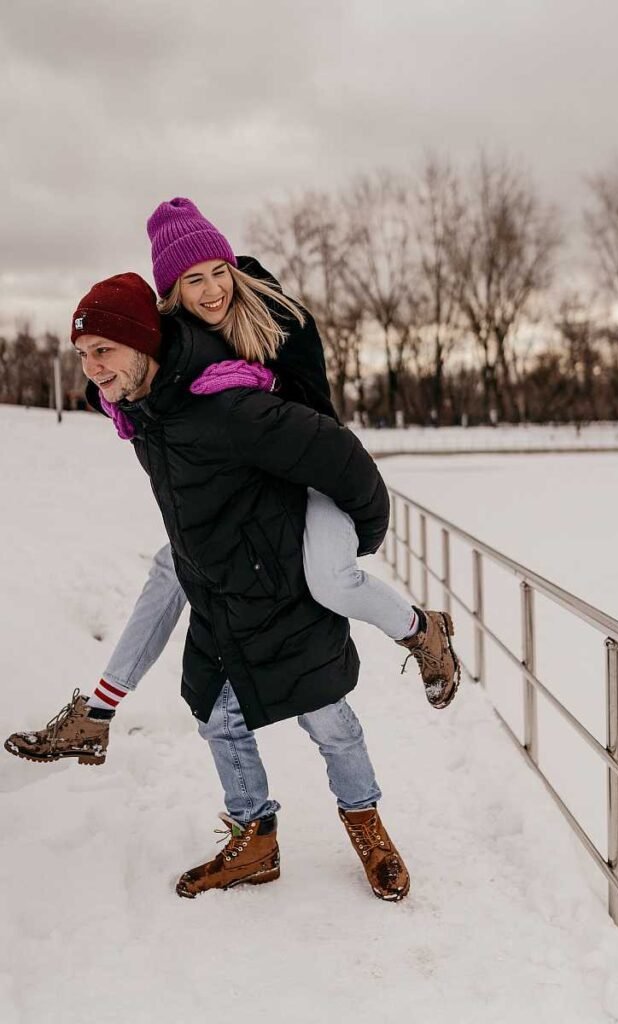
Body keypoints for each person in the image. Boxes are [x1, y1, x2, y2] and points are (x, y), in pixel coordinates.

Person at [7, 274, 417, 901]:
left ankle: (366, 822)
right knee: (220, 720)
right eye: (82, 355)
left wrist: (356, 542)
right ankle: (255, 836)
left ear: (141, 344)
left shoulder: (226, 405)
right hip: (215, 588)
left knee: (328, 717)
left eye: (102, 352)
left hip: (278, 587)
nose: (91, 370)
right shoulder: (142, 410)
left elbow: (342, 459)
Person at [5, 198, 459, 761]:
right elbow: (150, 379)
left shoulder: (280, 320)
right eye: (194, 280)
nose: (213, 290)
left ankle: (422, 630)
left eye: (220, 272)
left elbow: (314, 424)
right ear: (173, 293)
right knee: (170, 569)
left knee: (331, 580)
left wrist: (255, 390)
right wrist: (115, 394)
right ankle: (97, 712)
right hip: (253, 489)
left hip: (311, 474)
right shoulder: (183, 333)